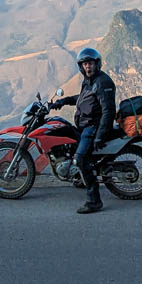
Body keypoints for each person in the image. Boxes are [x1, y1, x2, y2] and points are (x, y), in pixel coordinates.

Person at [50, 47, 116, 214]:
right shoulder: (89, 81)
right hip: (85, 126)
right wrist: (62, 101)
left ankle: (94, 201)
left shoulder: (103, 82)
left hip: (93, 127)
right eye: (85, 64)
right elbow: (82, 99)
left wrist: (100, 135)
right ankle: (80, 177)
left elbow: (108, 111)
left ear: (97, 64)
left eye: (91, 63)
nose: (88, 67)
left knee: (80, 158)